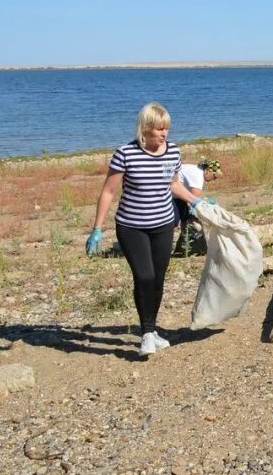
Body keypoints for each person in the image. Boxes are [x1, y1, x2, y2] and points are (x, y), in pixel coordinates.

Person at [86, 102, 205, 357]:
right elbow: (108, 191)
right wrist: (97, 228)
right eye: (159, 129)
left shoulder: (173, 152)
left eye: (167, 129)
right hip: (132, 227)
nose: (164, 134)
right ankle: (147, 334)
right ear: (145, 128)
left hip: (163, 224)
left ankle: (150, 332)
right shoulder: (125, 154)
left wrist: (196, 201)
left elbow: (173, 184)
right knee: (145, 277)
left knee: (158, 278)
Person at [173, 158, 222, 256]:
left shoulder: (196, 170)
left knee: (185, 217)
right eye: (214, 176)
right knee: (173, 221)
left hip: (177, 194)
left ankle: (186, 246)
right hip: (170, 194)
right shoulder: (198, 176)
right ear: (208, 171)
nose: (215, 179)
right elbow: (194, 200)